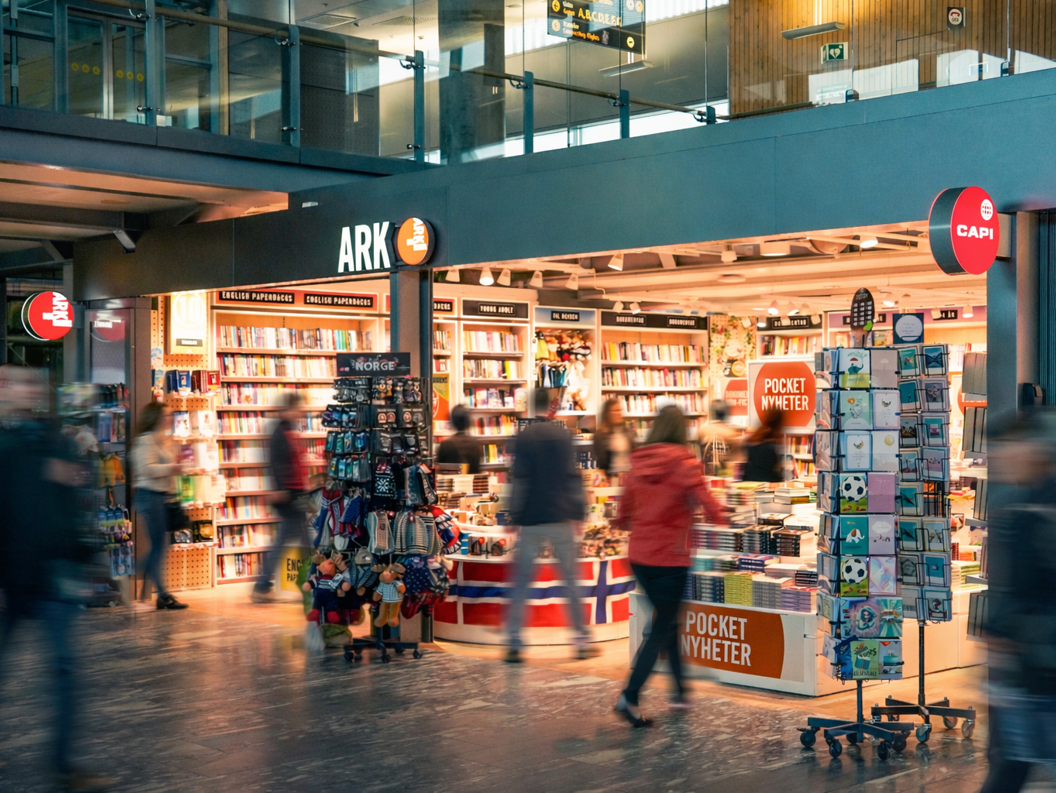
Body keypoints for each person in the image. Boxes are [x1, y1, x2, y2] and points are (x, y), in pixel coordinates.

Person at [0, 365, 111, 791]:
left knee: (65, 669)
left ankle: (64, 765)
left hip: (53, 576)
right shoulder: (7, 447)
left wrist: (86, 556)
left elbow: (71, 507)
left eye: (31, 382)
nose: (26, 389)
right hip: (12, 577)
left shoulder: (58, 443)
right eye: (15, 383)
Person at [613, 405, 727, 726]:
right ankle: (630, 696)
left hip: (639, 558)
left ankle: (680, 691)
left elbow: (622, 516)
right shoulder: (685, 464)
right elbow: (709, 504)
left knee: (668, 621)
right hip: (671, 559)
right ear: (681, 432)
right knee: (661, 627)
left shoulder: (636, 465)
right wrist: (724, 520)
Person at [978, 413, 1056, 793]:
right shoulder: (1019, 504)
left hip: (1039, 665)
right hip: (1028, 667)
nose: (1003, 456)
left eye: (1011, 447)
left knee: (1011, 766)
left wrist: (1004, 630)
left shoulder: (1038, 508)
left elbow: (1035, 587)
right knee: (1011, 764)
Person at [506, 389, 596, 663]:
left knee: (521, 583)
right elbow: (573, 476)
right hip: (560, 516)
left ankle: (514, 642)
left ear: (530, 408)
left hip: (532, 518)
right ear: (551, 408)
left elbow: (519, 479)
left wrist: (513, 516)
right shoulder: (562, 434)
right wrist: (580, 513)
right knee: (570, 582)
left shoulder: (523, 437)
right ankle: (581, 639)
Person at [252, 390, 311, 603]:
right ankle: (305, 584)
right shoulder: (280, 434)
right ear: (286, 410)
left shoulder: (289, 432)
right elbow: (276, 464)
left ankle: (265, 585)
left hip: (296, 493)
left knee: (297, 540)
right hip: (290, 495)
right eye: (296, 410)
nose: (299, 414)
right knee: (301, 541)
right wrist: (280, 488)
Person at [130, 401, 188, 610]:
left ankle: (158, 593)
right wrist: (173, 467)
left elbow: (165, 470)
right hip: (149, 497)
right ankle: (161, 594)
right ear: (155, 418)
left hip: (162, 497)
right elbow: (147, 469)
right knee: (158, 547)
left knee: (160, 546)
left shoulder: (164, 440)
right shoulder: (145, 441)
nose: (170, 419)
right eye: (166, 416)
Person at [593, 398, 636, 484]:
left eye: (620, 410)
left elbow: (635, 452)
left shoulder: (627, 431)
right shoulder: (600, 435)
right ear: (607, 413)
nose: (619, 413)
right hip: (612, 479)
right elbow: (602, 464)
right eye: (616, 410)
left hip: (630, 478)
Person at [741, 408, 784, 483]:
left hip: (750, 481)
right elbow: (773, 467)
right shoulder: (774, 439)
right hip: (767, 483)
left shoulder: (758, 434)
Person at [700, 399, 740, 478]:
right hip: (725, 478)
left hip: (706, 475)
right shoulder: (731, 433)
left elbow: (698, 455)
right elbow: (735, 460)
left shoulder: (702, 430)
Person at [436, 405, 481, 474]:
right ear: (468, 421)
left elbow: (439, 472)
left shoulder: (445, 444)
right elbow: (477, 470)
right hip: (470, 484)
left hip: (452, 484)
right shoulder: (475, 443)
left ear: (453, 422)